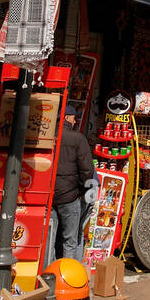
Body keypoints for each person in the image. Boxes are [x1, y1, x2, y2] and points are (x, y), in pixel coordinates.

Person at [51, 103, 95, 260]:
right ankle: (67, 279)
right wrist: (84, 190)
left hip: (49, 196)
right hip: (69, 196)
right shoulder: (77, 139)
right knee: (70, 240)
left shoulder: (47, 136)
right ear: (66, 118)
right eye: (74, 118)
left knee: (49, 239)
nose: (76, 122)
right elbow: (87, 170)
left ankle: (46, 276)